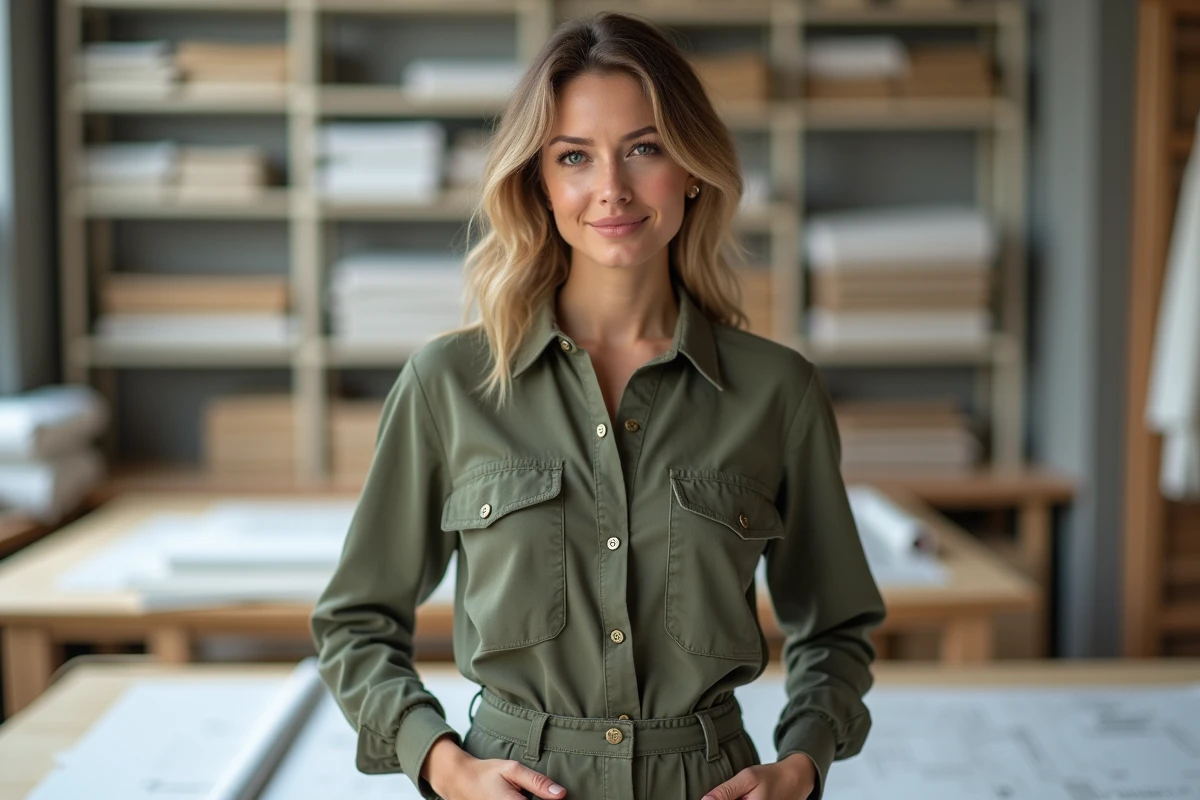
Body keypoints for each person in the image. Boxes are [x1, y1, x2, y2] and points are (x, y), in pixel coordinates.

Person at [311, 12, 886, 800]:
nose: (611, 187)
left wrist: (802, 763)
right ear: (539, 185)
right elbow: (355, 621)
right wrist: (441, 764)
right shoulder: (448, 384)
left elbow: (836, 627)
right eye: (574, 156)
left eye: (644, 148)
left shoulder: (777, 393)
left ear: (690, 167)